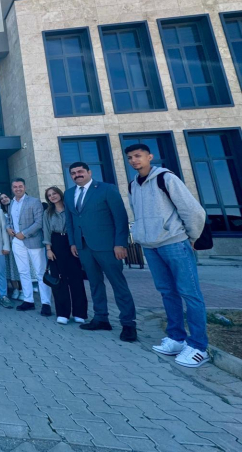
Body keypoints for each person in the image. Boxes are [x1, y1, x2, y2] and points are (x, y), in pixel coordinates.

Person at [126, 143, 209, 366]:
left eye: (138, 156)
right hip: (150, 246)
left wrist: (191, 237)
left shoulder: (166, 178)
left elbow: (193, 210)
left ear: (150, 157)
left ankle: (199, 346)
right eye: (130, 157)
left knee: (190, 293)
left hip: (174, 243)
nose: (134, 160)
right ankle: (176, 338)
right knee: (167, 293)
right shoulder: (133, 185)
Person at [65, 162, 137, 342]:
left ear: (89, 172)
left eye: (80, 171)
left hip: (107, 246)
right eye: (73, 173)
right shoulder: (69, 194)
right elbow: (70, 220)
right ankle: (101, 318)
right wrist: (73, 243)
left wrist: (120, 243)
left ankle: (128, 323)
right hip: (83, 247)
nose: (77, 175)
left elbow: (120, 218)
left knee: (118, 284)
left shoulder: (106, 189)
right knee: (95, 283)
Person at [43, 186, 87, 325]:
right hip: (56, 243)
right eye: (49, 195)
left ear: (60, 194)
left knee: (76, 278)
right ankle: (63, 313)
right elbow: (46, 231)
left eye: (54, 193)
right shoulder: (48, 212)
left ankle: (79, 313)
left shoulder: (70, 208)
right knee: (59, 280)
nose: (52, 196)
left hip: (71, 242)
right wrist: (48, 249)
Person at [7, 178, 52, 315]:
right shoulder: (11, 203)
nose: (18, 189)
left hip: (33, 241)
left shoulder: (34, 201)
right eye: (15, 187)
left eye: (20, 186)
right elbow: (10, 220)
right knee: (23, 272)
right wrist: (8, 227)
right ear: (12, 188)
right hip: (17, 242)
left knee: (40, 272)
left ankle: (46, 303)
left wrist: (24, 233)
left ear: (25, 187)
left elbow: (39, 222)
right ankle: (28, 300)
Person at [0, 192, 22, 299]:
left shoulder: (17, 208)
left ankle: (23, 289)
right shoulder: (0, 212)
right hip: (6, 242)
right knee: (11, 266)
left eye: (5, 197)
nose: (4, 199)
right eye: (2, 198)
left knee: (20, 266)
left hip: (18, 239)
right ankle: (15, 289)